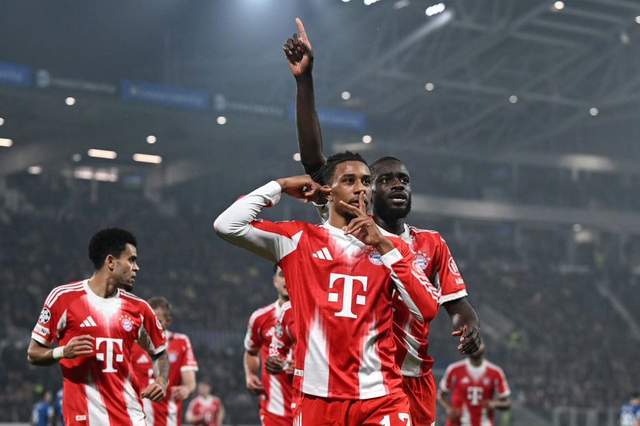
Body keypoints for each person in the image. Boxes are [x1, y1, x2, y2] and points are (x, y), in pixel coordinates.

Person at [283, 18, 482, 425]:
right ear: (366, 190)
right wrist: (305, 83)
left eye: (404, 180)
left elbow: (457, 306)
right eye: (386, 179)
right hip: (361, 382)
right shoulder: (351, 230)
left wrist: (469, 326)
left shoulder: (431, 244)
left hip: (414, 380)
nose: (397, 186)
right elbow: (315, 160)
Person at [214, 153, 440, 425]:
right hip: (316, 398)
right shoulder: (298, 239)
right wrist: (281, 185)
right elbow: (226, 225)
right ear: (328, 191)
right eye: (349, 180)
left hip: (381, 398)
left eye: (365, 181)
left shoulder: (393, 246)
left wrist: (382, 245)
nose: (360, 188)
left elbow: (428, 309)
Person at [27, 228, 169, 425]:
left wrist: (162, 381)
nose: (136, 268)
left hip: (129, 417)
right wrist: (62, 352)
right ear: (111, 262)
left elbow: (160, 352)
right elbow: (33, 353)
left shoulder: (139, 308)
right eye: (131, 260)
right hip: (83, 418)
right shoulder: (64, 298)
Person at [131, 296, 198, 426]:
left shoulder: (181, 342)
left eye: (158, 321)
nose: (152, 325)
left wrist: (186, 389)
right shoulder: (132, 343)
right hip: (136, 417)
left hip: (168, 419)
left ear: (168, 321)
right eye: (148, 320)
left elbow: (190, 382)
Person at [243, 266, 296, 425]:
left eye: (291, 274)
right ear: (275, 281)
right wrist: (251, 374)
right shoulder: (260, 318)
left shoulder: (314, 317)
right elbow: (251, 351)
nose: (287, 279)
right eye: (282, 275)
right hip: (274, 412)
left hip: (310, 406)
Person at [437, 345, 511, 426]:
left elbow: (507, 403)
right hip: (457, 423)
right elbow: (440, 395)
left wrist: (494, 404)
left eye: (478, 342)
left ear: (484, 347)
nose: (475, 345)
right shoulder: (454, 369)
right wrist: (448, 408)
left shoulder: (496, 372)